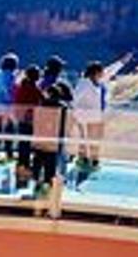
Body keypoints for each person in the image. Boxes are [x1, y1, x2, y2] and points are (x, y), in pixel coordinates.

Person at [70, 54, 131, 185]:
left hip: (97, 117)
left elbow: (110, 70)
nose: (103, 74)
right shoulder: (84, 84)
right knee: (85, 140)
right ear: (94, 73)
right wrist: (78, 116)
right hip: (85, 118)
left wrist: (123, 61)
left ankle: (93, 161)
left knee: (95, 140)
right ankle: (83, 162)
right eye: (100, 72)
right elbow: (75, 100)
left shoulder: (99, 81)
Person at [34, 56, 71, 192]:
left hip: (41, 129)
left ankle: (38, 180)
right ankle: (57, 180)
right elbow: (69, 100)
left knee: (40, 156)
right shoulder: (59, 84)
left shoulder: (40, 83)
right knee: (57, 155)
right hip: (57, 128)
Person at [8, 64, 45, 193]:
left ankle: (21, 176)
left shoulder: (21, 87)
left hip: (21, 119)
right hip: (31, 121)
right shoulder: (34, 89)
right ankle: (30, 175)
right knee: (30, 146)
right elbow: (43, 100)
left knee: (23, 147)